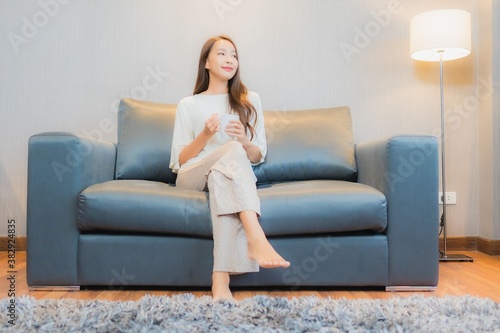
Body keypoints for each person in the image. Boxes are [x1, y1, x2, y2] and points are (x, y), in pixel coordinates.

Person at [169, 35, 290, 301]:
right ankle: (255, 236)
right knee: (226, 159)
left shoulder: (249, 99)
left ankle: (220, 283)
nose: (229, 60)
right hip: (192, 176)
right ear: (207, 63)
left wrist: (243, 139)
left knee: (221, 179)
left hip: (225, 178)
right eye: (222, 54)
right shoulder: (188, 104)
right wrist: (205, 135)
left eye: (234, 55)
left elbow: (257, 155)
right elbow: (180, 161)